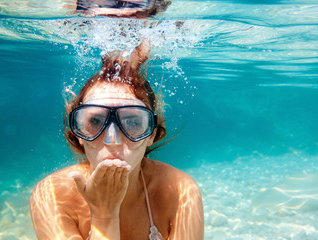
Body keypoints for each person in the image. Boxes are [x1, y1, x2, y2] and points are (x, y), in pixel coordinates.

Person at [30, 41, 204, 240]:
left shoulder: (180, 191)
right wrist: (104, 215)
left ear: (151, 134)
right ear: (78, 133)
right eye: (95, 121)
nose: (112, 140)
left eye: (132, 122)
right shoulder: (51, 195)